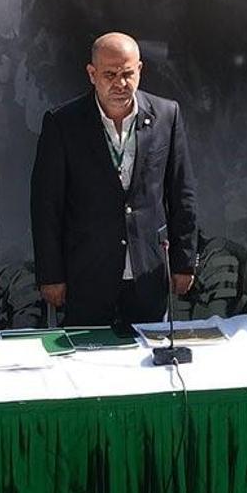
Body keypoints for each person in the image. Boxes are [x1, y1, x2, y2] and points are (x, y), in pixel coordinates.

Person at [30, 33, 198, 328]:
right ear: (92, 74)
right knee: (86, 351)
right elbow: (46, 205)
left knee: (148, 350)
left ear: (140, 70)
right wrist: (51, 275)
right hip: (87, 274)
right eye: (110, 75)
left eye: (128, 74)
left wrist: (184, 261)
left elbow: (182, 193)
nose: (120, 84)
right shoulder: (63, 123)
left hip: (148, 271)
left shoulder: (166, 115)